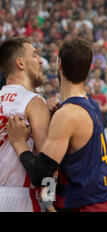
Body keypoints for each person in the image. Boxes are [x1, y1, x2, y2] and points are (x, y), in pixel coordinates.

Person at [6, 37, 107, 212]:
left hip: (92, 205)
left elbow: (42, 175)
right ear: (88, 70)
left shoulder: (67, 114)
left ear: (59, 64)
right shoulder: (91, 104)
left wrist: (19, 143)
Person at [0, 38, 50, 212]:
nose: (40, 60)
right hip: (22, 198)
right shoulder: (33, 102)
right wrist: (50, 205)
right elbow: (49, 170)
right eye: (35, 55)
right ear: (20, 63)